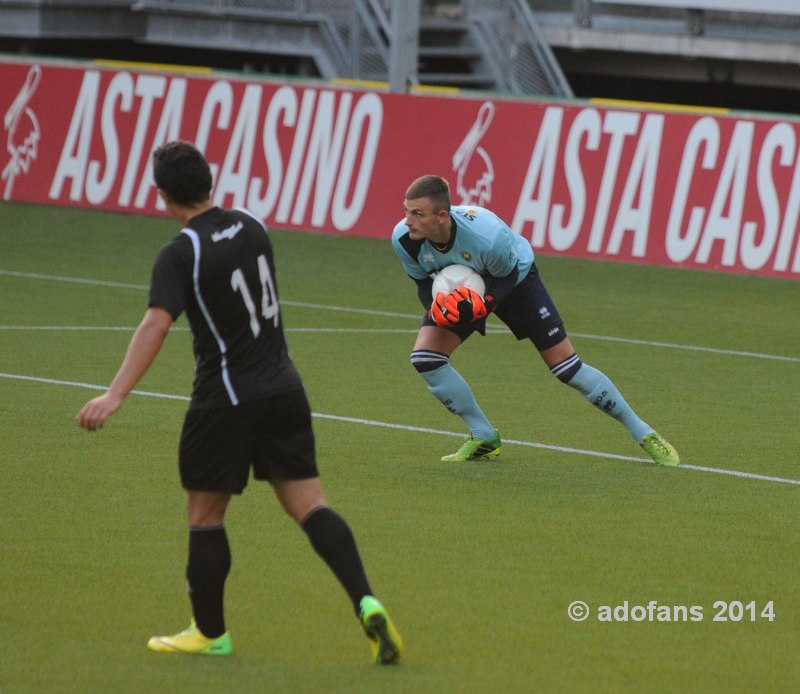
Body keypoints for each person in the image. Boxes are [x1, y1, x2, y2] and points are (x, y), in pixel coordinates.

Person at [75, 140, 402, 664]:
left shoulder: (179, 253)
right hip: (285, 388)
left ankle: (210, 633)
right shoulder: (252, 224)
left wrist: (115, 394)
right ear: (210, 180)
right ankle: (366, 600)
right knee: (311, 505)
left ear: (162, 195)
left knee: (205, 515)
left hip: (224, 397)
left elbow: (156, 325)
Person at [391, 174, 679, 467]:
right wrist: (437, 308)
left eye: (417, 213)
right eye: (406, 210)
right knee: (426, 358)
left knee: (567, 368)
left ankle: (644, 433)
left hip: (513, 283)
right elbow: (423, 284)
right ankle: (484, 437)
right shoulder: (404, 239)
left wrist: (485, 305)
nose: (408, 220)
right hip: (460, 292)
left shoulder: (487, 236)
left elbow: (508, 274)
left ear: (441, 216)